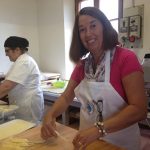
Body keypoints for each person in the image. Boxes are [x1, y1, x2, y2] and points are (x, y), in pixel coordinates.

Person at [41, 7, 147, 150]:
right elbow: (66, 97)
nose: (88, 33)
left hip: (120, 144)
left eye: (93, 25)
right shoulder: (83, 65)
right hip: (88, 142)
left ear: (104, 27)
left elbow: (139, 109)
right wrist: (51, 114)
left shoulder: (126, 59)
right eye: (82, 29)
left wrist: (99, 129)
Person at [0, 36, 44, 124]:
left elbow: (7, 86)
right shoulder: (20, 61)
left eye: (7, 50)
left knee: (29, 127)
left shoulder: (24, 62)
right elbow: (8, 81)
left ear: (17, 50)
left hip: (28, 104)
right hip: (23, 103)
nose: (6, 54)